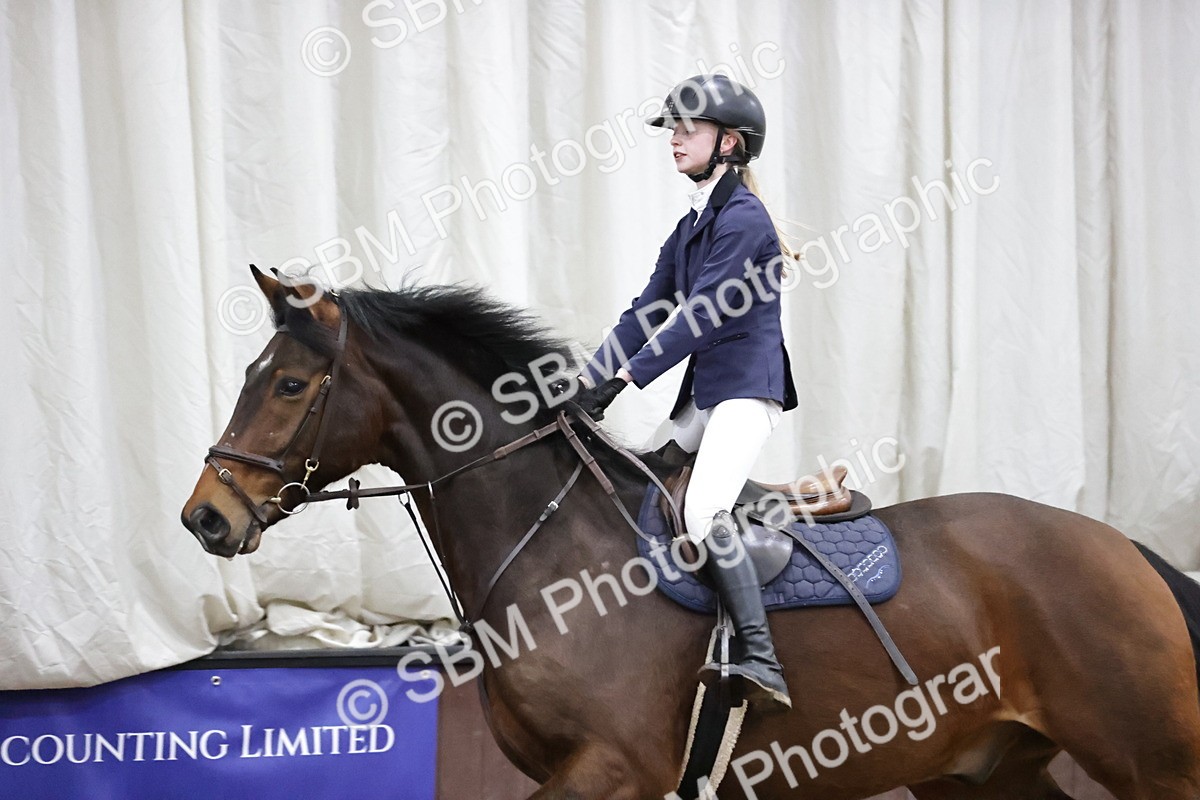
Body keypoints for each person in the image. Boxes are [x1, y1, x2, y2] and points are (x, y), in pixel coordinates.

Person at [572, 74, 799, 709]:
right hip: (707, 395)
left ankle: (762, 657)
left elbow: (701, 315)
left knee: (702, 513)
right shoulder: (693, 223)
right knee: (641, 485)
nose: (674, 138)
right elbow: (647, 311)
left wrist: (623, 380)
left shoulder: (744, 219)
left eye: (688, 129)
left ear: (729, 142)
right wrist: (586, 381)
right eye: (673, 129)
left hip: (747, 391)